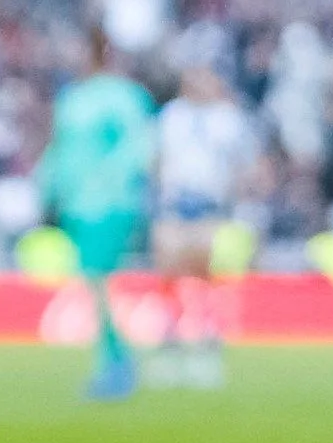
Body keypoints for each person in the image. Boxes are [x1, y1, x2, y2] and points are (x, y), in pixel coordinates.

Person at [36, 28, 155, 402]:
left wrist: (110, 183)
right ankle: (114, 359)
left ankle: (117, 362)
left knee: (99, 278)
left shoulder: (123, 97)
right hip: (76, 205)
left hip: (109, 203)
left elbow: (138, 147)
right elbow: (60, 150)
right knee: (93, 281)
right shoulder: (72, 98)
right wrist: (46, 189)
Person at [150, 66, 258, 388]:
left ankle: (208, 341)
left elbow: (244, 163)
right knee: (170, 273)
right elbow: (156, 159)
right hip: (174, 203)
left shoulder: (227, 119)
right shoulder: (171, 117)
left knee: (208, 274)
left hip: (211, 205)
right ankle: (170, 340)